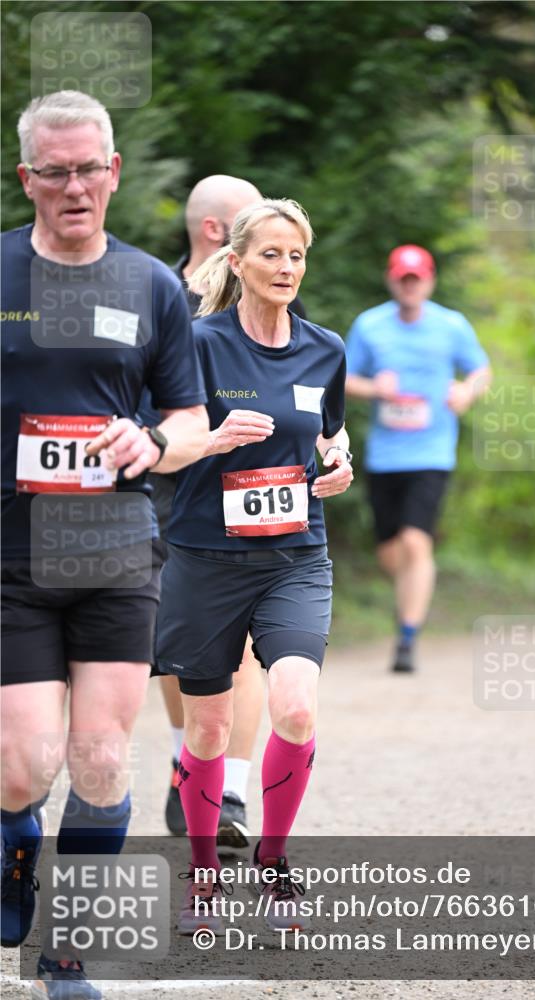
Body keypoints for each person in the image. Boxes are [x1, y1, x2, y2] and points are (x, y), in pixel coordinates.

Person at [0, 91, 208, 998]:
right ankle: (14, 870)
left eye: (90, 168)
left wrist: (153, 442)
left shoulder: (152, 285)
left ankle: (66, 952)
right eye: (56, 171)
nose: (75, 185)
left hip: (119, 548)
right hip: (12, 552)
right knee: (23, 766)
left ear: (114, 172)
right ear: (27, 179)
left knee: (97, 757)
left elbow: (193, 417)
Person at [154, 197, 352, 934]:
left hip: (295, 556)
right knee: (206, 730)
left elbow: (330, 437)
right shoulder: (197, 343)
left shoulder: (324, 348)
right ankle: (204, 872)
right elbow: (158, 445)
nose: (286, 268)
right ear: (235, 262)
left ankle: (274, 863)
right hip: (206, 558)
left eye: (296, 255)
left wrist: (339, 464)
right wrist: (211, 440)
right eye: (270, 254)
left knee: (295, 705)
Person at [141, 174, 306, 844]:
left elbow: (309, 389)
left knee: (238, 650)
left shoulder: (275, 304)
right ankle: (193, 762)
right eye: (255, 234)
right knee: (182, 654)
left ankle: (228, 792)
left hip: (244, 506)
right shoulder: (156, 297)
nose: (277, 253)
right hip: (163, 498)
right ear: (220, 237)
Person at [345, 244, 491, 673]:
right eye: (403, 278)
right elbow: (344, 377)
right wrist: (375, 389)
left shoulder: (452, 325)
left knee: (416, 540)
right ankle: (411, 597)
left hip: (432, 452)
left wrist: (467, 391)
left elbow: (481, 370)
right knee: (390, 552)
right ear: (393, 280)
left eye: (418, 278)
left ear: (429, 281)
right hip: (385, 456)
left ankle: (407, 637)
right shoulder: (369, 326)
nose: (410, 285)